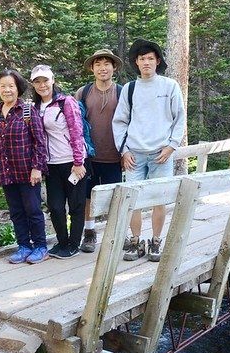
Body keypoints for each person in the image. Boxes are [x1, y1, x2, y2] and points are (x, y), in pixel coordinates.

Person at [112, 39, 186, 262]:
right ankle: (135, 241)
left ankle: (155, 241)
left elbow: (179, 117)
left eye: (150, 59)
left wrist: (172, 146)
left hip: (161, 154)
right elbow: (120, 121)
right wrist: (124, 150)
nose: (146, 62)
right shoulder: (129, 89)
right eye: (142, 59)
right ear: (136, 62)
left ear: (158, 61)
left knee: (158, 200)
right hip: (134, 154)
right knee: (133, 201)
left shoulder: (169, 86)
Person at [0, 69, 50, 264]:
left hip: (27, 172)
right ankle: (24, 246)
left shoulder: (28, 111)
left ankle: (40, 247)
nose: (7, 90)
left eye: (11, 86)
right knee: (16, 212)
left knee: (33, 210)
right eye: (3, 86)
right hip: (6, 172)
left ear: (18, 88)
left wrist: (37, 167)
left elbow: (40, 142)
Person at [30, 64, 87, 259]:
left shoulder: (66, 102)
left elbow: (76, 132)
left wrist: (79, 162)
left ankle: (73, 244)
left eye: (45, 80)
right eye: (37, 81)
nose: (42, 85)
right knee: (55, 206)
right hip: (50, 164)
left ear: (52, 80)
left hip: (72, 162)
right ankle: (61, 242)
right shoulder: (35, 108)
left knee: (76, 205)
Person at [74, 48, 125, 253]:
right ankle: (90, 232)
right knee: (88, 196)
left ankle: (115, 234)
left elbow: (131, 123)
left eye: (106, 64)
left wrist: (126, 152)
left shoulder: (123, 92)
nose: (102, 68)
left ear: (114, 67)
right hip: (89, 157)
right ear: (92, 68)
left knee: (116, 196)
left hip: (115, 156)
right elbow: (74, 124)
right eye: (98, 64)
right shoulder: (83, 92)